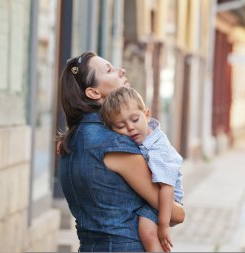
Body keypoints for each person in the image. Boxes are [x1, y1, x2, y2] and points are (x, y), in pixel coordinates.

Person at [57, 51, 185, 252]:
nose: (121, 70)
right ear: (93, 93)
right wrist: (179, 210)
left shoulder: (68, 143)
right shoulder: (115, 144)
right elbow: (175, 215)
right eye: (109, 70)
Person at [100, 87, 184, 252]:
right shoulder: (137, 139)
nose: (130, 127)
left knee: (147, 230)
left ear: (146, 114)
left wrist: (164, 224)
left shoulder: (157, 147)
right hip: (153, 194)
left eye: (134, 119)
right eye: (121, 125)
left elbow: (167, 186)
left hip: (168, 196)